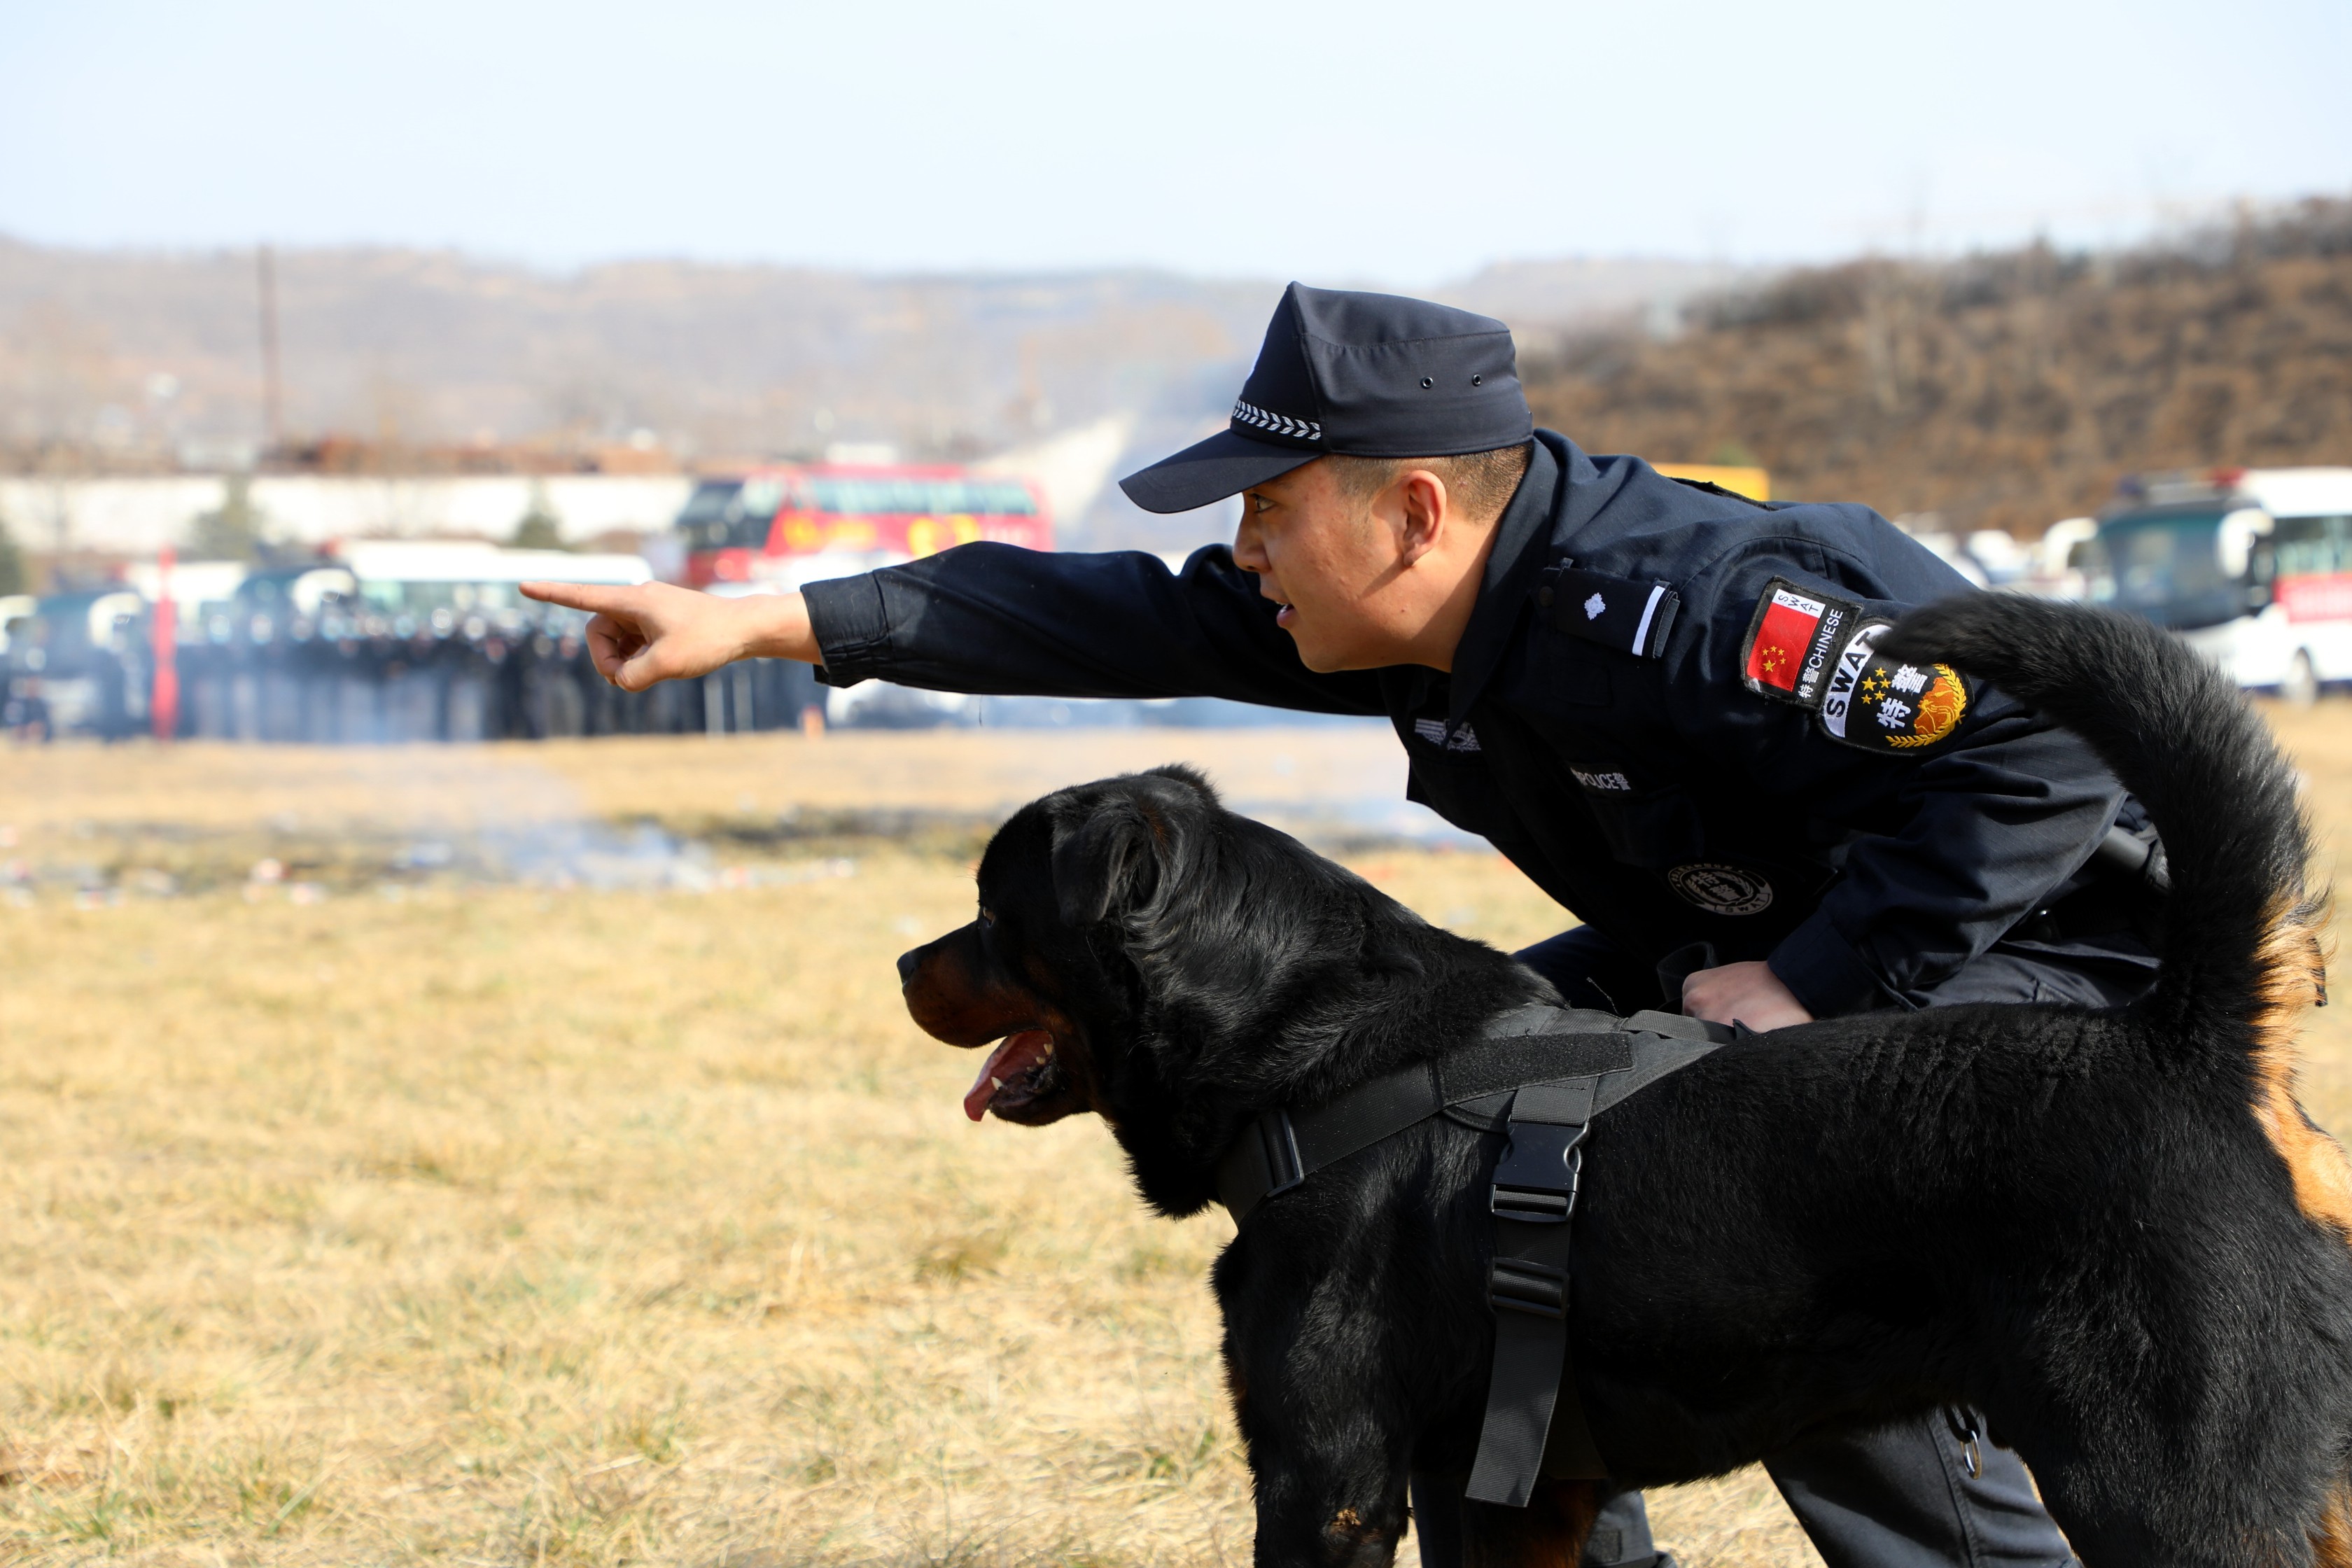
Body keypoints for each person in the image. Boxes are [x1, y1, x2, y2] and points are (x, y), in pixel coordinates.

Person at [527, 284, 2162, 1568]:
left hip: (2043, 957)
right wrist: (761, 614)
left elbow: (2056, 754)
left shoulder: (1701, 605)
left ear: (1415, 515)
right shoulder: (1399, 612)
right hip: (1763, 950)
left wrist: (1819, 985)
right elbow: (1111, 611)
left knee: (1769, 1214)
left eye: (1268, 510)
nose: (1242, 549)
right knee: (1465, 1118)